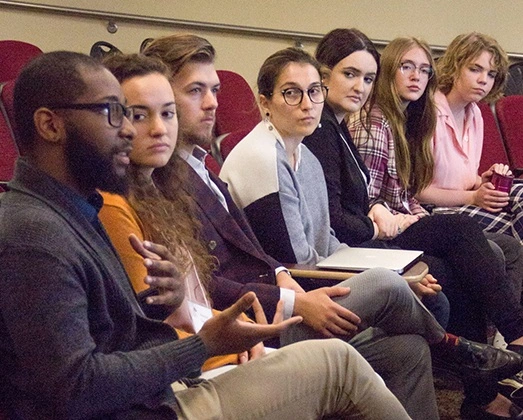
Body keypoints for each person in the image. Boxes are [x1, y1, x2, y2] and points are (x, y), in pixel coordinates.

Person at [0, 50, 417, 420]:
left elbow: (116, 335)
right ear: (50, 125)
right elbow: (76, 387)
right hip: (150, 406)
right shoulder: (34, 236)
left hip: (160, 387)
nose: (128, 130)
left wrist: (166, 303)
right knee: (338, 363)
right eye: (114, 112)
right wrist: (204, 345)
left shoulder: (74, 210)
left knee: (397, 352)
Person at [142, 35, 523, 419]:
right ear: (265, 103)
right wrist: (297, 294)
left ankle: (463, 357)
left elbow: (296, 249)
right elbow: (277, 262)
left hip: (285, 294)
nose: (212, 103)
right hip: (265, 318)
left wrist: (284, 275)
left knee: (407, 347)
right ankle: (461, 352)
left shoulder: (297, 155)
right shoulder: (246, 162)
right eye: (293, 94)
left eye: (313, 93)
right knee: (396, 279)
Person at [345, 35, 523, 418]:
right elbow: (372, 202)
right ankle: (513, 343)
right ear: (389, 72)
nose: (416, 76)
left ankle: (484, 389)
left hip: (406, 216)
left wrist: (470, 188)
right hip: (382, 231)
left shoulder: (408, 115)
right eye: (407, 67)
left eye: (424, 69)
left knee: (483, 249)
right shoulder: (375, 121)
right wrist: (421, 215)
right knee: (463, 238)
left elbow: (403, 190)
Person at [415, 32, 523, 245]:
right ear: (455, 68)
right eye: (475, 69)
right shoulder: (428, 114)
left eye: (491, 74)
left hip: (465, 200)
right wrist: (473, 197)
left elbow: (463, 177)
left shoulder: (474, 114)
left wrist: (483, 180)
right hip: (433, 210)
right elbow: (418, 192)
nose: (484, 80)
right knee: (509, 227)